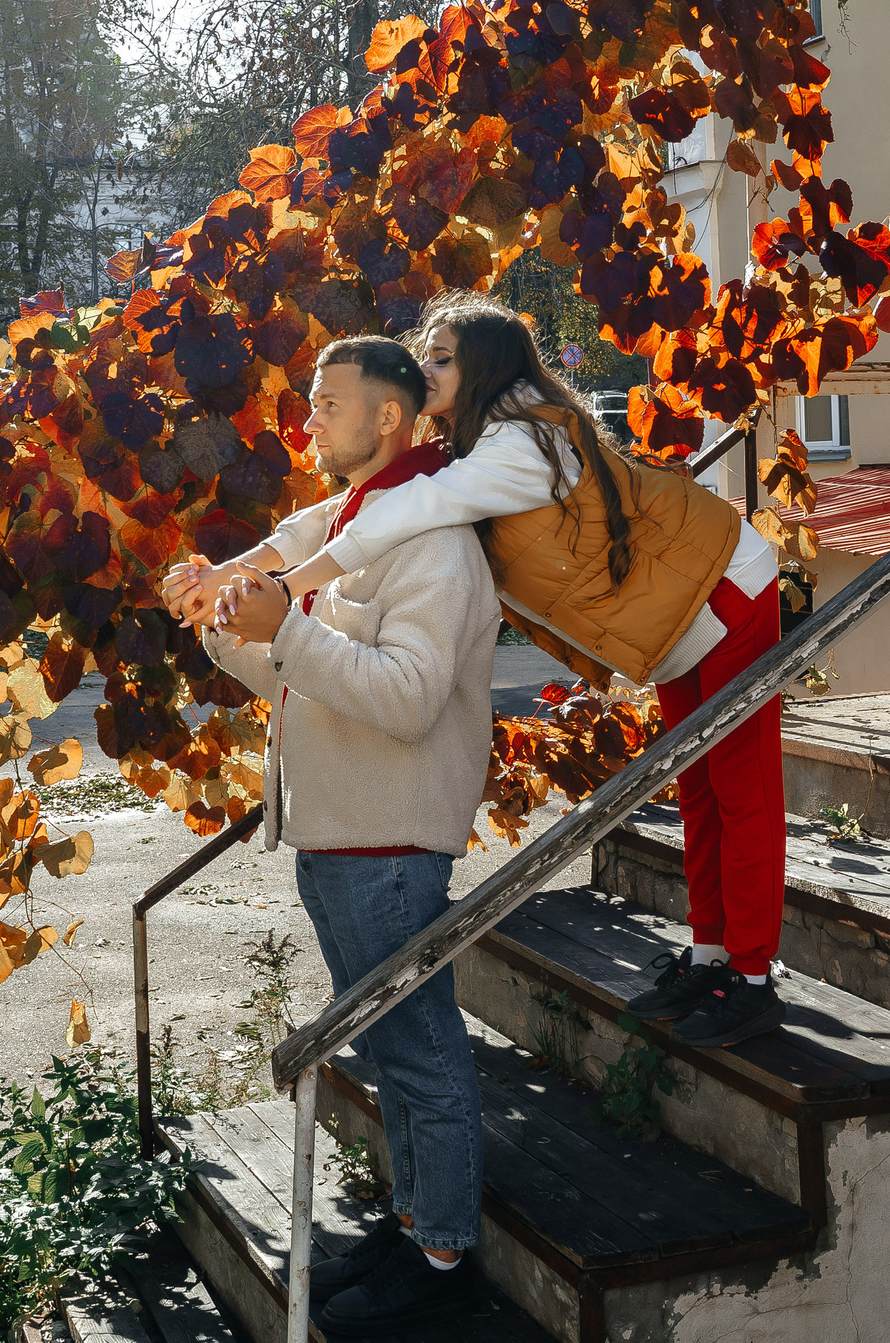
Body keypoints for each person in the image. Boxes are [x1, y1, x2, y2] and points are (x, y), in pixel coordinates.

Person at [169, 292, 789, 1049]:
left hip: (726, 584)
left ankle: (751, 976)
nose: (423, 368)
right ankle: (711, 954)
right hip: (674, 618)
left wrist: (282, 594)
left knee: (740, 787)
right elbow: (336, 515)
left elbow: (393, 517)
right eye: (421, 354)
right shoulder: (468, 443)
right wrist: (231, 571)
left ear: (485, 366)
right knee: (698, 788)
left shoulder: (520, 444)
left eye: (441, 358)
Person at [187, 334, 503, 1338]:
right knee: (391, 1051)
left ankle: (445, 1251)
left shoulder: (433, 542)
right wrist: (215, 616)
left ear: (390, 421)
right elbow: (292, 677)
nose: (309, 419)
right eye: (311, 401)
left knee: (419, 1051)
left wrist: (286, 626)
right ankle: (414, 1222)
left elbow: (408, 700)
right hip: (338, 836)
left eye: (329, 403)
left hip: (390, 843)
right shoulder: (345, 525)